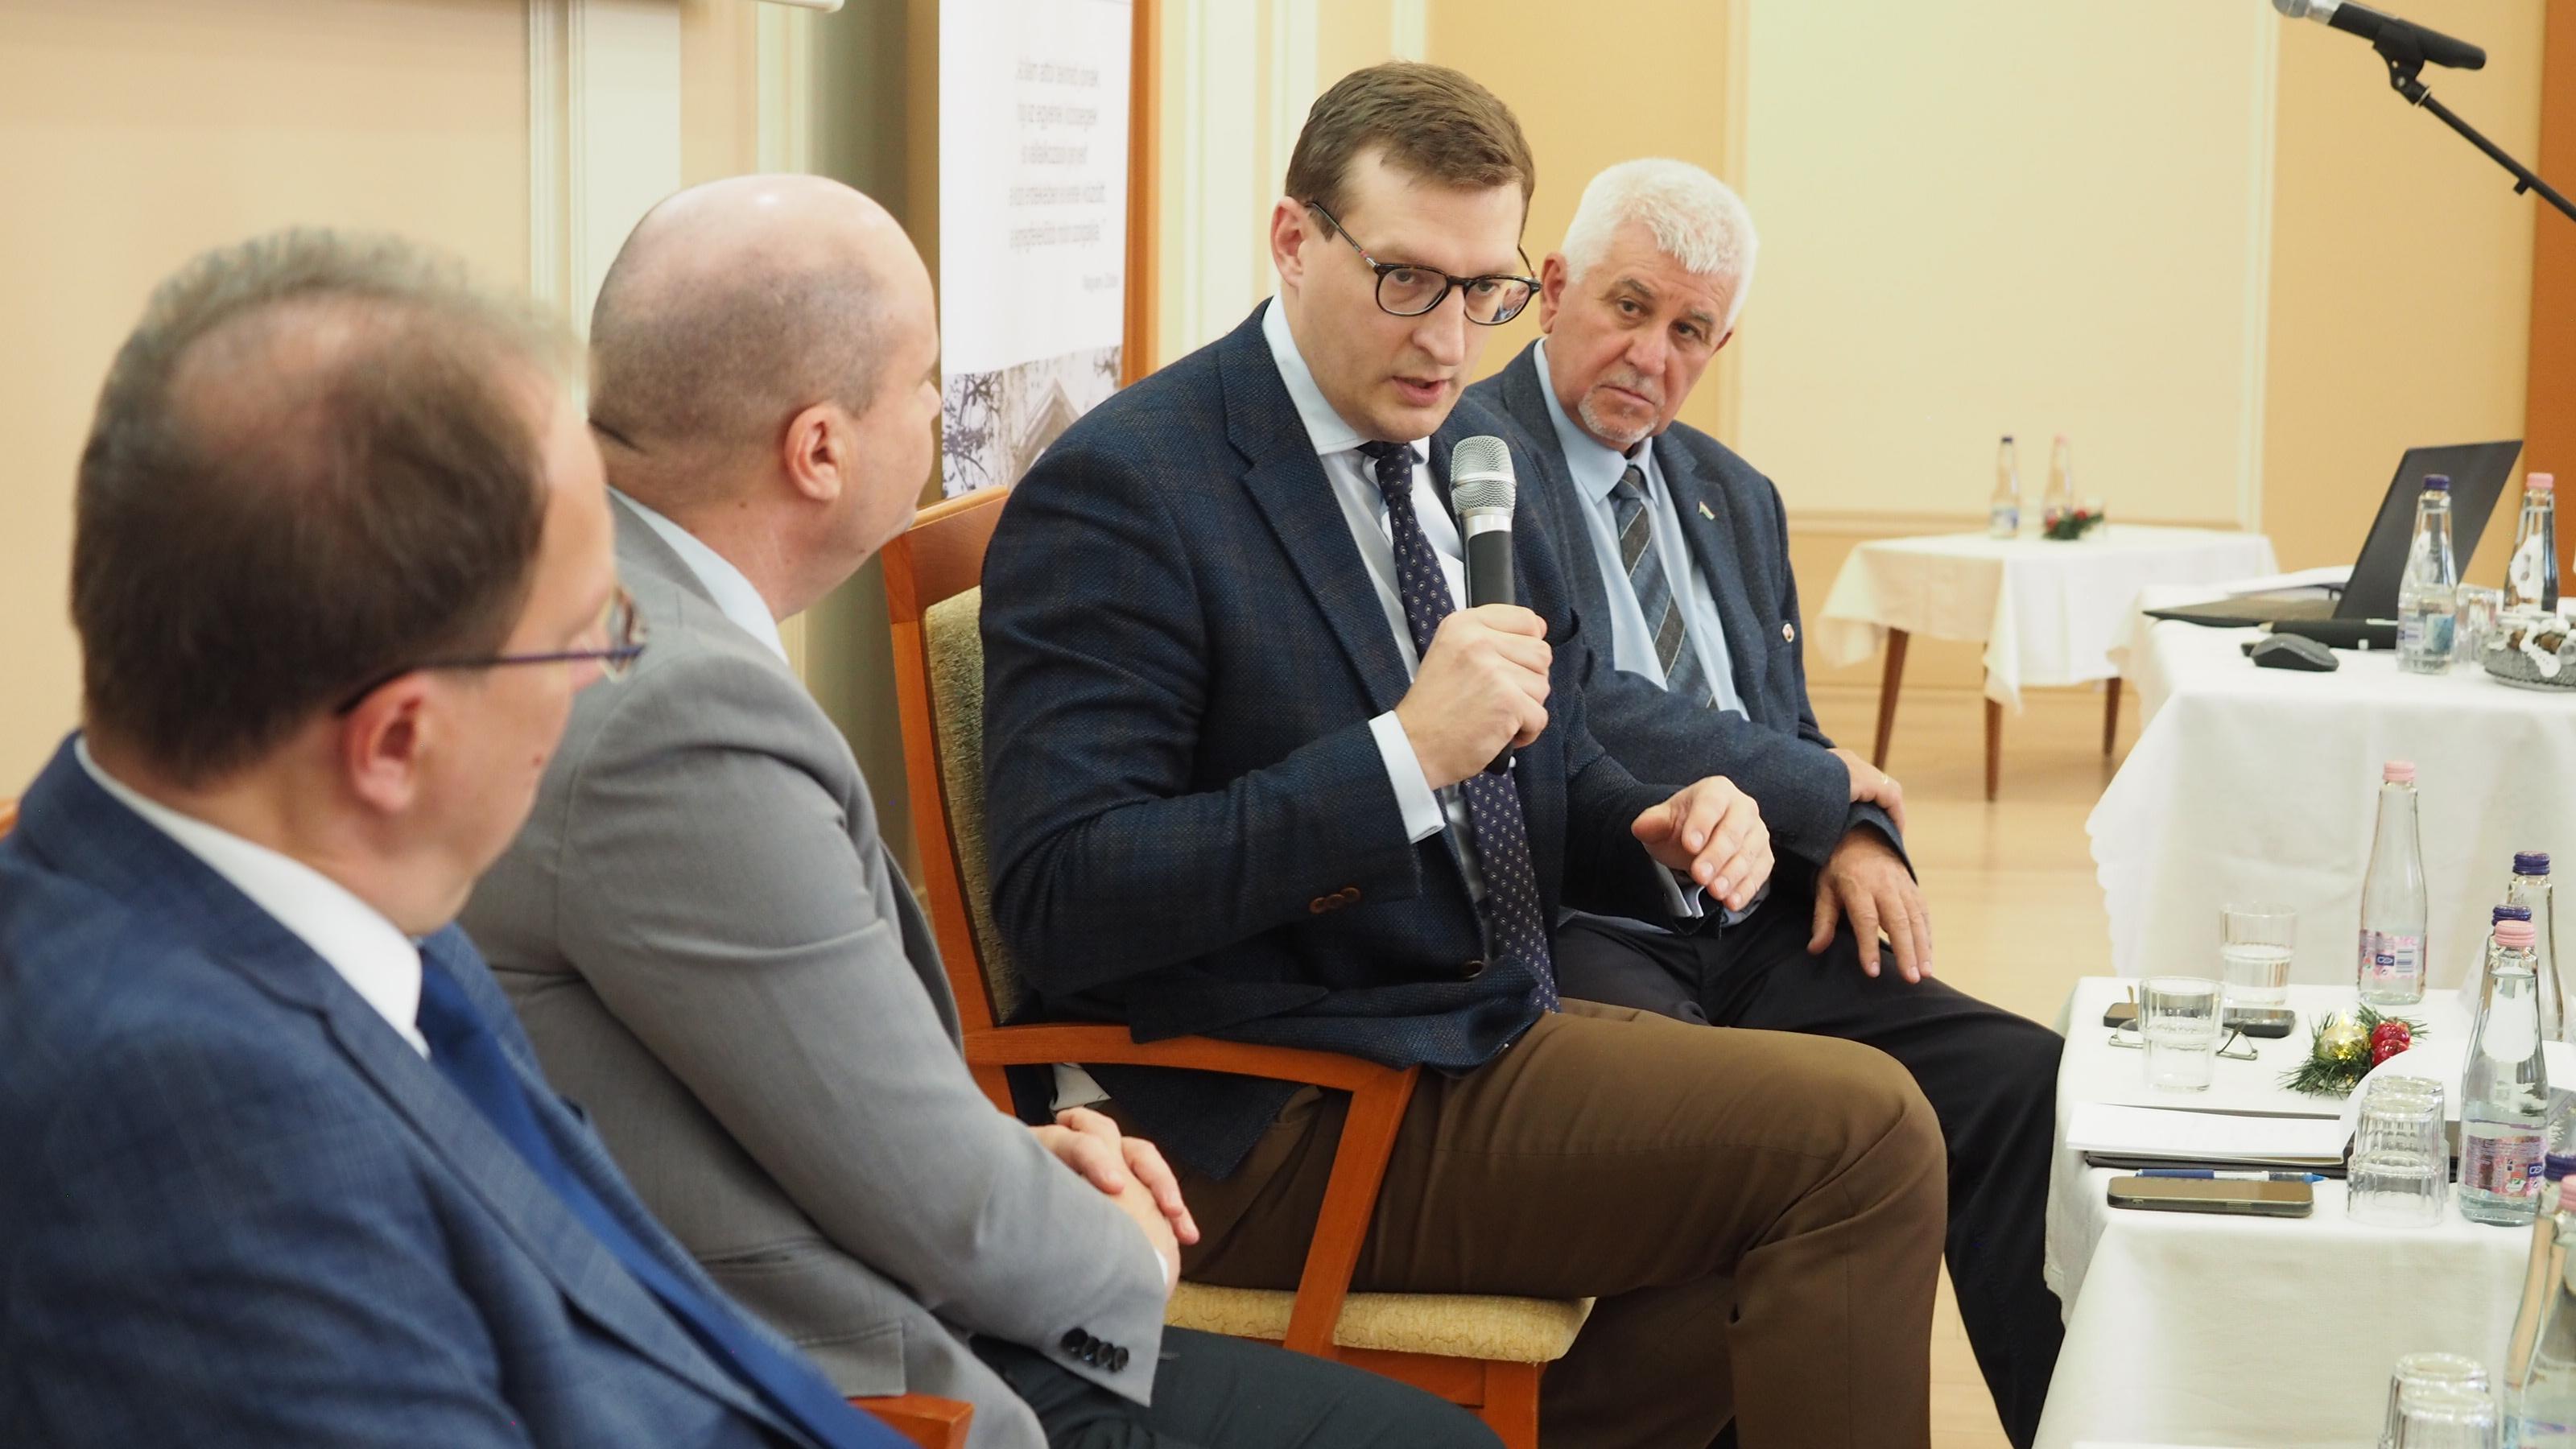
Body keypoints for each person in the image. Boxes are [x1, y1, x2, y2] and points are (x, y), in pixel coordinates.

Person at [980, 61, 1949, 1449]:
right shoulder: (1133, 486)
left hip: (1466, 1020)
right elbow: (1069, 895)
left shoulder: (1465, 458)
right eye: (1407, 281)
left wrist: (1655, 825)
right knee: (1863, 1137)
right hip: (1269, 1105)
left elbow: (1550, 762)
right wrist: (1400, 758)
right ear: (1293, 240)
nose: (1448, 340)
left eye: (1485, 290)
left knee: (1806, 1219)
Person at [460, 174, 1497, 1449]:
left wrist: (1009, 1157)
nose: (940, 409)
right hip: (796, 1365)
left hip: (834, 1252)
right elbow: (927, 1195)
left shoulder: (599, 607)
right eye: (924, 381)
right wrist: (1123, 1250)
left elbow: (810, 1079)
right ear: (820, 450)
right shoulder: (675, 715)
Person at [0, 230, 908, 1447]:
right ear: (396, 743)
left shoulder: (361, 904)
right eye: (587, 632)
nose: (603, 671)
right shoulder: (191, 1133)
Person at [1461, 157, 2066, 1445]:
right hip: (1592, 914)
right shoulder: (1472, 463)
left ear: (1721, 345)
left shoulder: (1734, 494)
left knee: (2024, 1083)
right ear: (1555, 289)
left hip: (1760, 915)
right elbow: (1576, 697)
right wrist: (1826, 789)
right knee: (1754, 1151)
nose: (1652, 355)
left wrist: (1856, 832)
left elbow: (1785, 725)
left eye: (1691, 331)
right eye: (1629, 307)